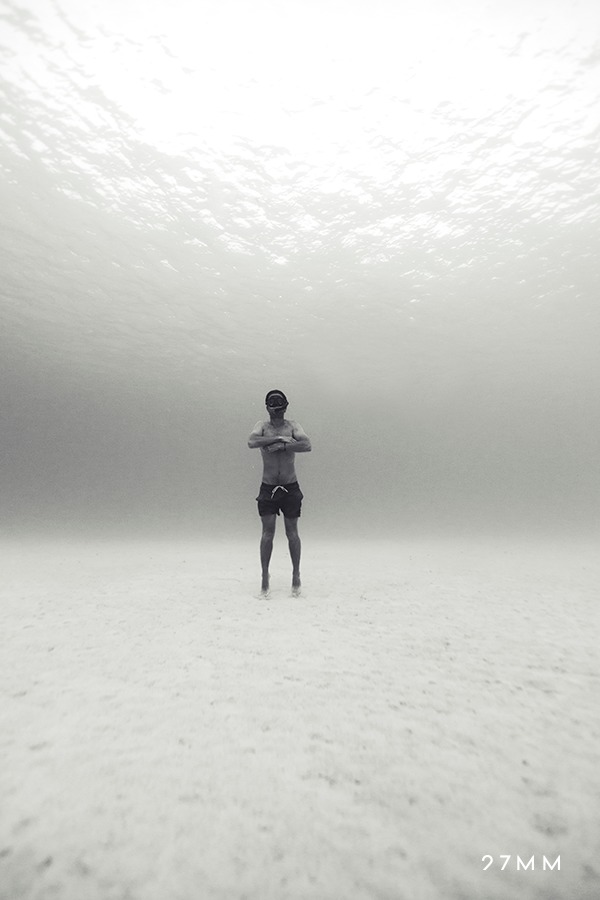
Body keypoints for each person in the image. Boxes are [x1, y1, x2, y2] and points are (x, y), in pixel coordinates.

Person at [247, 390, 312, 596]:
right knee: (267, 534)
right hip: (268, 488)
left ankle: (296, 574)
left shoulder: (293, 426)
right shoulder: (262, 426)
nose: (276, 408)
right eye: (273, 404)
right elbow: (251, 442)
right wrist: (278, 438)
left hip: (290, 487)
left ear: (285, 406)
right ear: (267, 407)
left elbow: (307, 445)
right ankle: (265, 576)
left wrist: (283, 446)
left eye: (279, 403)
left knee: (292, 533)